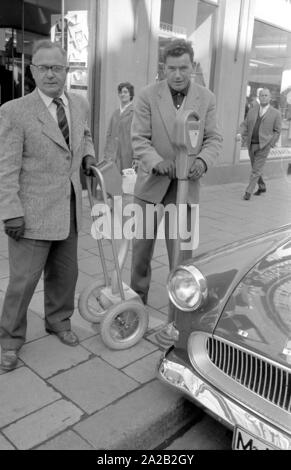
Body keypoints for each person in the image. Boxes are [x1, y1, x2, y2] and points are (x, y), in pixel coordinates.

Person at [0, 40, 96, 371]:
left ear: (67, 70)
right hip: (30, 214)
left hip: (69, 207)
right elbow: (5, 167)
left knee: (66, 274)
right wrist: (10, 210)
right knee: (23, 281)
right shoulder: (14, 111)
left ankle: (59, 321)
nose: (50, 74)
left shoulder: (80, 104)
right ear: (32, 71)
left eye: (57, 67)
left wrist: (88, 157)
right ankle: (9, 339)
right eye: (43, 67)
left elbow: (85, 136)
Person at [130, 39, 222, 342]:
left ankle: (176, 322)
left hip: (185, 190)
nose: (178, 74)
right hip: (150, 189)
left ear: (192, 66)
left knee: (181, 260)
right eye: (172, 68)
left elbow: (214, 139)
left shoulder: (205, 98)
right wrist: (157, 162)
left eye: (184, 68)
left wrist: (203, 163)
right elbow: (139, 139)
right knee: (140, 255)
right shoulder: (146, 96)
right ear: (163, 68)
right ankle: (135, 312)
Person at [240, 88, 282, 200]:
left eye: (266, 95)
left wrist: (271, 144)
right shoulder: (252, 110)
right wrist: (241, 135)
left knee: (255, 170)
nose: (264, 97)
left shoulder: (276, 113)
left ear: (270, 98)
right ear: (259, 97)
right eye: (261, 95)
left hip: (264, 146)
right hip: (251, 144)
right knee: (256, 168)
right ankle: (262, 186)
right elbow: (245, 124)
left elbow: (277, 130)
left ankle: (248, 192)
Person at [104, 82, 135, 172]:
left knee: (126, 183)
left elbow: (137, 136)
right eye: (120, 92)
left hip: (127, 156)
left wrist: (135, 157)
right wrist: (107, 154)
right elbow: (109, 134)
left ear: (131, 94)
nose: (122, 94)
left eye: (125, 92)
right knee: (113, 181)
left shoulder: (134, 113)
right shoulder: (115, 113)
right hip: (112, 155)